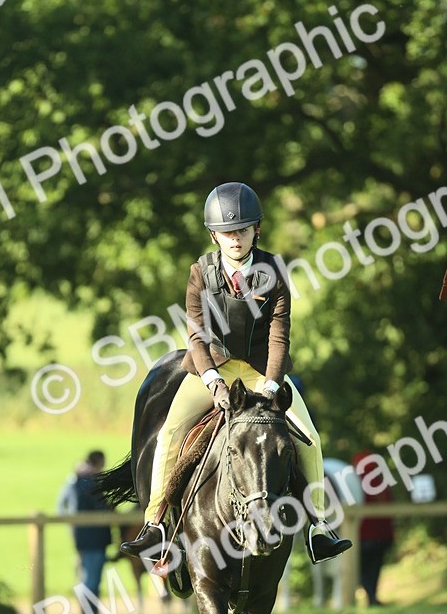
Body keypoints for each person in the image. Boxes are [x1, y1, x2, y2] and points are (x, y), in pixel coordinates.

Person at [121, 181, 352, 564]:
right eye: (227, 233)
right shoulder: (200, 273)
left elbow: (279, 336)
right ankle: (155, 525)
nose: (235, 239)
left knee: (309, 438)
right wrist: (211, 380)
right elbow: (196, 336)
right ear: (214, 235)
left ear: (256, 230)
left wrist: (273, 386)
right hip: (211, 368)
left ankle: (318, 526)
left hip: (263, 371)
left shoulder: (274, 271)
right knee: (170, 435)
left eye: (242, 230)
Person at [57, 450, 113, 597]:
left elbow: (60, 505)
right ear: (99, 462)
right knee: (92, 578)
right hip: (96, 537)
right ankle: (90, 612)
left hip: (81, 536)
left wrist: (72, 524)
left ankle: (86, 611)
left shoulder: (75, 480)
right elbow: (103, 508)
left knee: (85, 574)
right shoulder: (92, 483)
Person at [353, 450, 395, 607]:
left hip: (363, 536)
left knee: (363, 568)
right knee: (374, 568)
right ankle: (372, 597)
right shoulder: (381, 483)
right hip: (380, 536)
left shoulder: (356, 484)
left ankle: (370, 596)